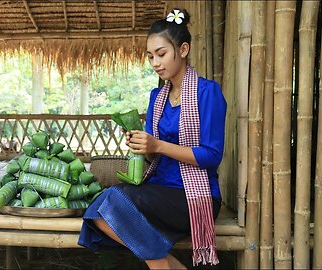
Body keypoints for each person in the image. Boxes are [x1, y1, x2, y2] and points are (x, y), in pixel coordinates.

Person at [78, 8, 227, 269]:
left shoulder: (207, 92)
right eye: (150, 57)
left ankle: (158, 264)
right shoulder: (157, 98)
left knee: (112, 201)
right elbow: (153, 157)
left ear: (182, 50)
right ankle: (164, 263)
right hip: (159, 189)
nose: (155, 63)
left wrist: (158, 144)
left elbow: (211, 157)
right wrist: (143, 146)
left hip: (194, 197)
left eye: (161, 54)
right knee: (97, 210)